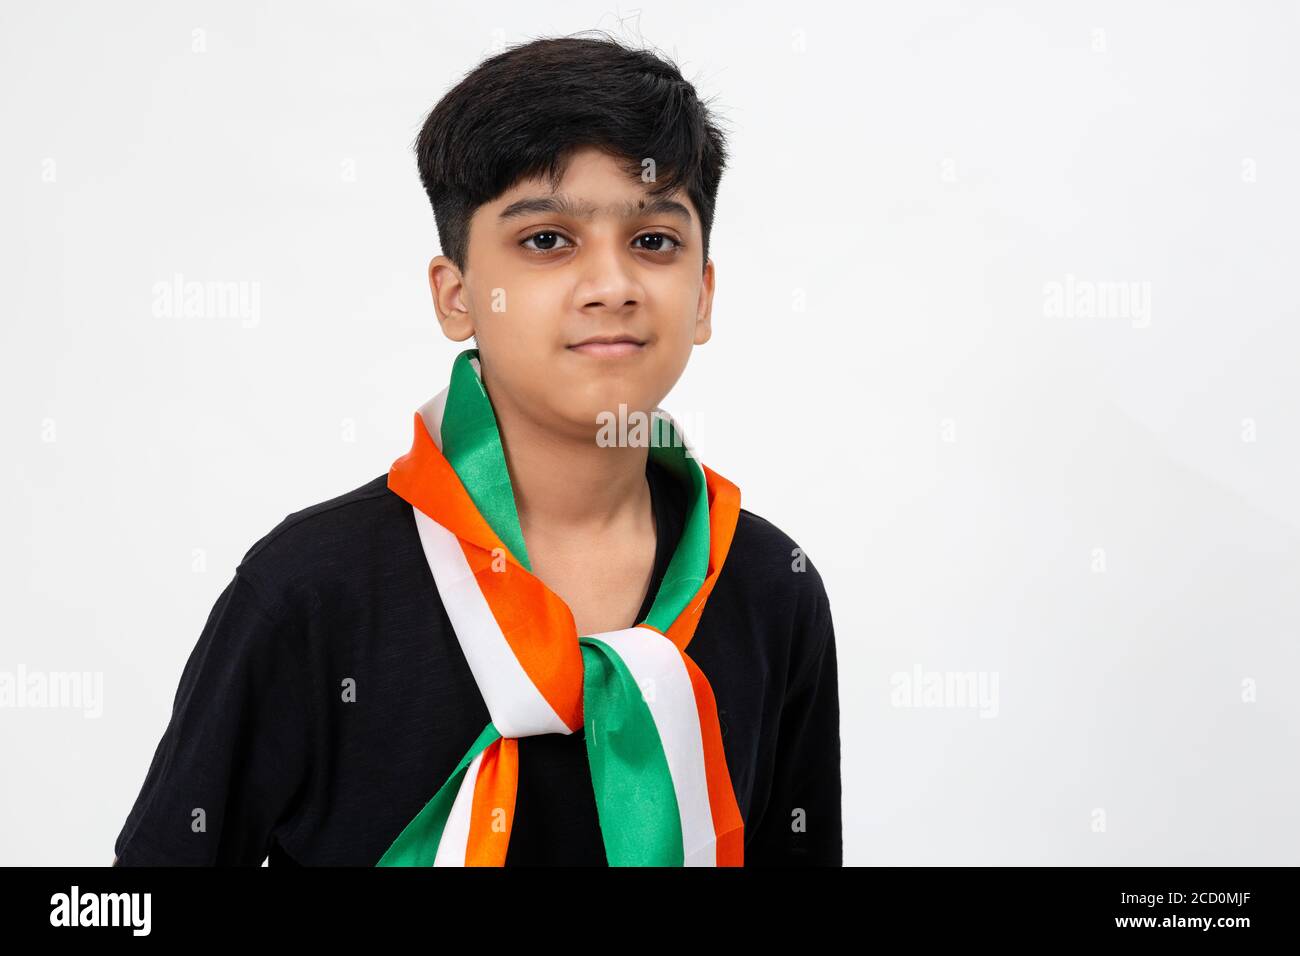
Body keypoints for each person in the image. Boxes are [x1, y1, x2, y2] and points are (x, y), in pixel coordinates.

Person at [113, 32, 841, 867]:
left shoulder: (768, 585)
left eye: (654, 242)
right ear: (456, 297)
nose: (613, 285)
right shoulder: (313, 591)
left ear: (703, 295)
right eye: (546, 241)